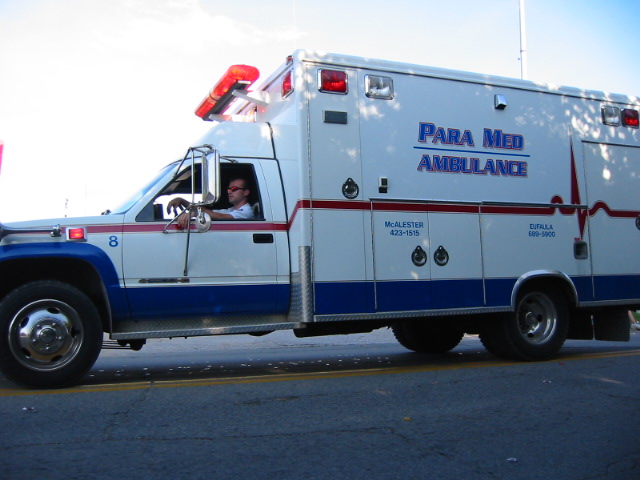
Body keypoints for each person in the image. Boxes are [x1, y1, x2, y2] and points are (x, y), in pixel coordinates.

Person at [167, 178, 254, 228]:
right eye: (228, 189)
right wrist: (183, 201)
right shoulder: (231, 210)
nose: (229, 192)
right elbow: (212, 213)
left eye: (234, 189)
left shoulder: (246, 211)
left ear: (246, 192)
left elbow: (220, 216)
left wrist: (195, 213)